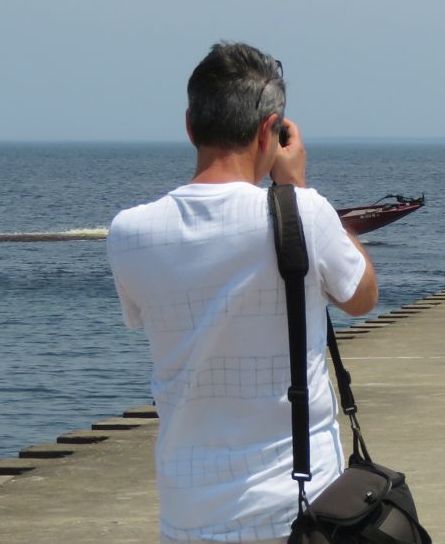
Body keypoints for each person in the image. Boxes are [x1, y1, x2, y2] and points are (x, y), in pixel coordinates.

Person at [107, 42, 379, 544]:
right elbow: (362, 296)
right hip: (298, 510)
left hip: (187, 515)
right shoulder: (303, 212)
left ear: (190, 126)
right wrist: (297, 187)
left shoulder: (129, 233)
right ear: (268, 132)